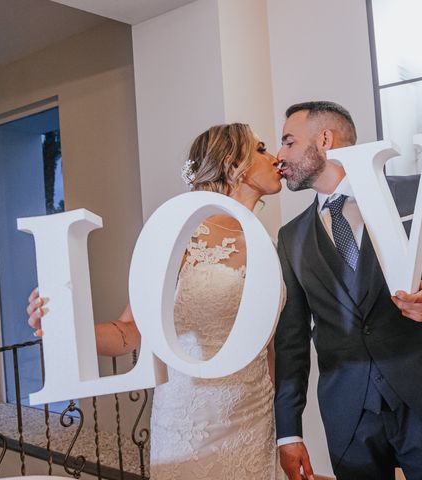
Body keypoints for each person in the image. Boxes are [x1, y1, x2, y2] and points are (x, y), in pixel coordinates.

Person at [27, 123, 286, 479]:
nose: (274, 158)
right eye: (260, 149)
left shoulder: (267, 241)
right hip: (192, 420)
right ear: (231, 164)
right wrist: (62, 328)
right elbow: (129, 333)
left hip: (256, 416)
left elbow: (268, 343)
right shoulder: (180, 236)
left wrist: (285, 425)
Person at [274, 101, 422, 480]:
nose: (280, 155)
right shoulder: (291, 238)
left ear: (325, 139)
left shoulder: (411, 195)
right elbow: (291, 343)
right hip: (348, 412)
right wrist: (288, 432)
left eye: (288, 142)